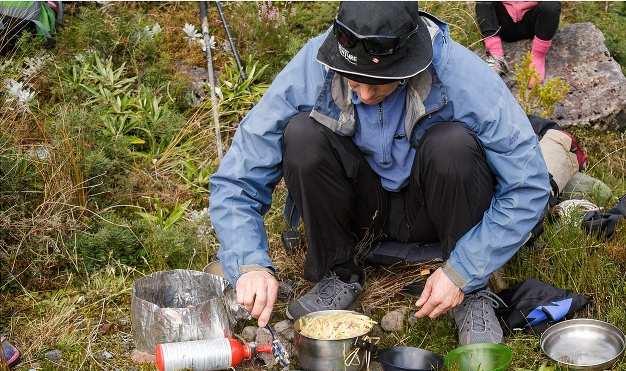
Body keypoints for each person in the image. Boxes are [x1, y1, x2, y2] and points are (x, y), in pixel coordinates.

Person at [209, 1, 551, 346]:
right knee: (302, 135)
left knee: (453, 145)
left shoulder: (460, 74)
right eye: (354, 84)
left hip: (433, 211)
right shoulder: (315, 65)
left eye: (380, 83)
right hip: (361, 210)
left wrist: (465, 269)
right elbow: (238, 179)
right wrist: (249, 262)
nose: (367, 95)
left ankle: (472, 293)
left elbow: (529, 184)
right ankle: (339, 272)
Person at [474, 1, 561, 86]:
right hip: (505, 24)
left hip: (534, 23)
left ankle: (537, 56)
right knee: (483, 2)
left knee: (552, 4)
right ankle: (495, 56)